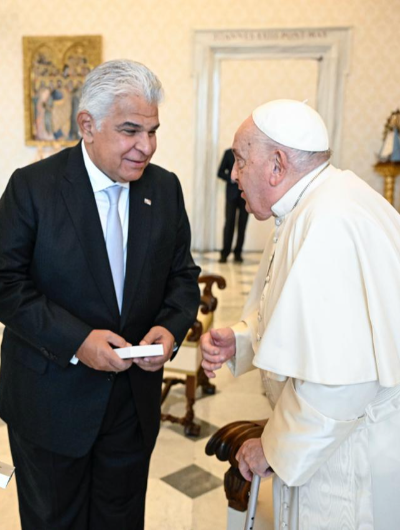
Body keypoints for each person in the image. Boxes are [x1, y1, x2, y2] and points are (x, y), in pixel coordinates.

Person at [0, 59, 200, 530]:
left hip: (132, 404)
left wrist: (170, 332)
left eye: (152, 131)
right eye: (131, 130)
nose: (145, 146)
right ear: (86, 125)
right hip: (49, 402)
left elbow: (183, 277)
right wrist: (77, 341)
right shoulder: (33, 188)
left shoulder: (165, 189)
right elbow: (6, 283)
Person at [201, 99, 400, 529]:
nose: (233, 174)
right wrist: (240, 338)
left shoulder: (329, 222)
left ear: (277, 164)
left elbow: (340, 381)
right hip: (329, 441)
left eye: (239, 160)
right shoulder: (308, 206)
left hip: (347, 455)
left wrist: (273, 446)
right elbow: (292, 309)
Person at [217, 148, 249, 263]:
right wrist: (231, 179)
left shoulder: (249, 153)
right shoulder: (228, 153)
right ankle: (225, 253)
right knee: (229, 223)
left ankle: (238, 253)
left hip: (246, 194)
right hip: (231, 194)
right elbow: (220, 172)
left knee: (242, 224)